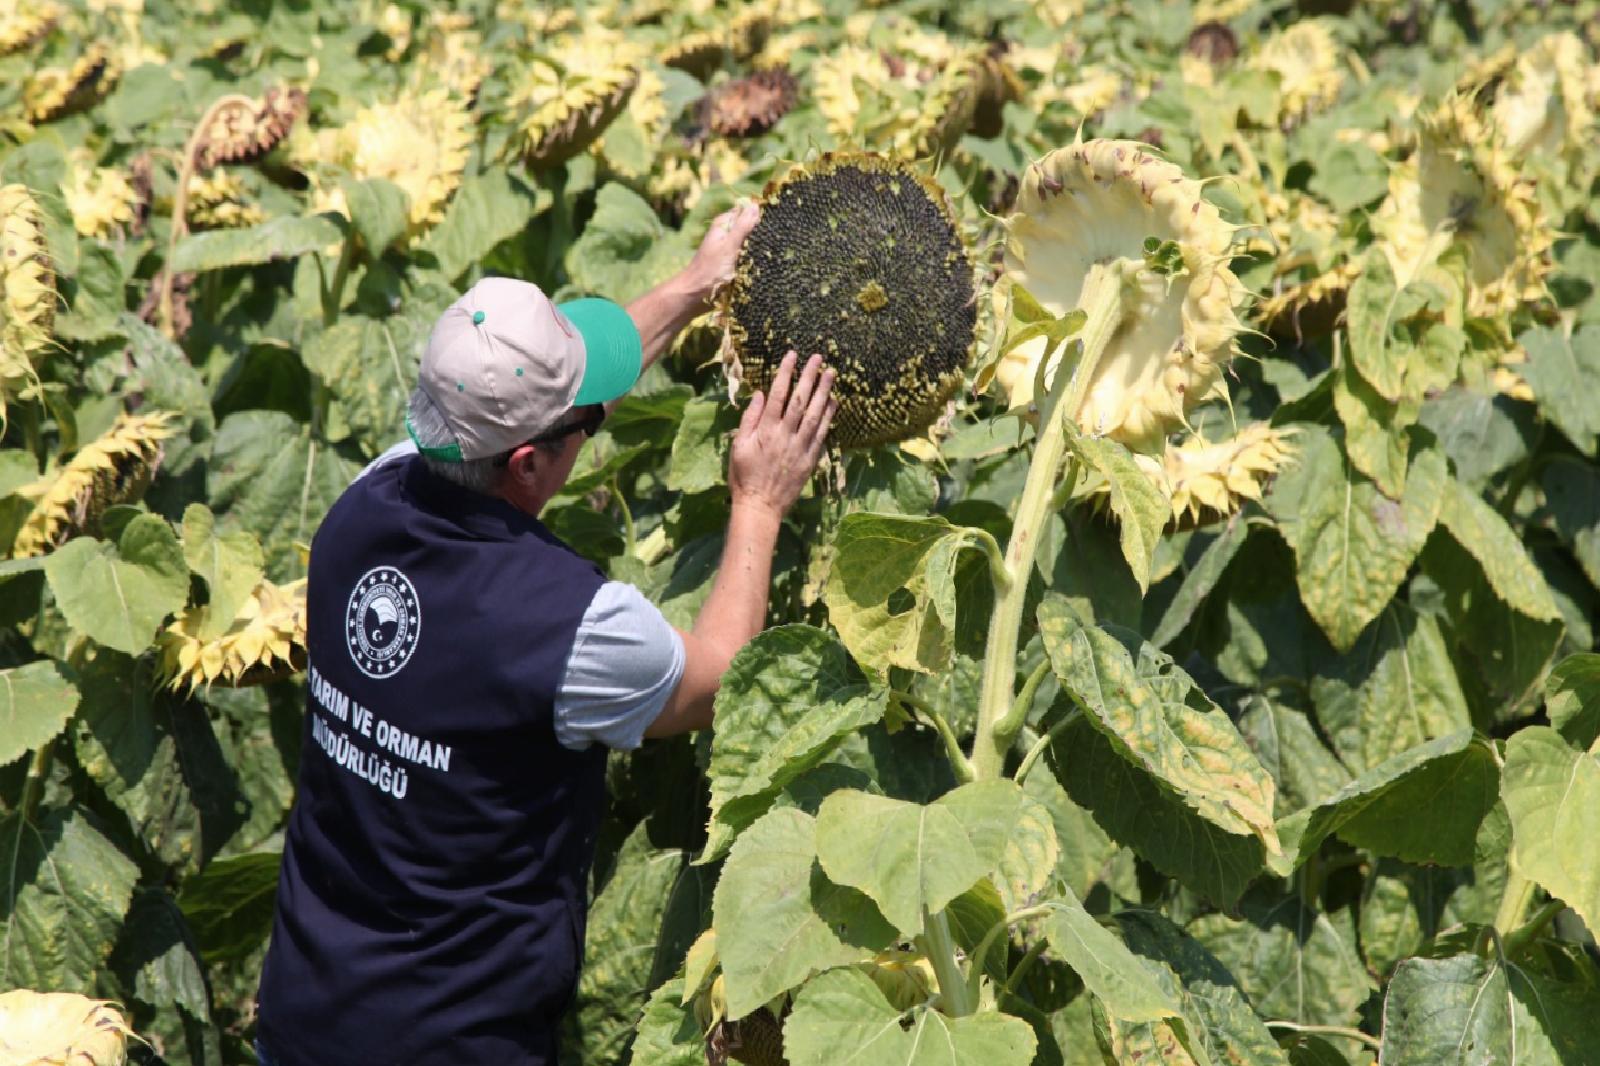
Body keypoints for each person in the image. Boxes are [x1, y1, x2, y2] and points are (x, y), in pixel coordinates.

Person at [253, 202, 837, 1065]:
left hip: (303, 1010)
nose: (595, 417)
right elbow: (719, 681)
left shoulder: (363, 504)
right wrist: (760, 500)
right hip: (451, 1040)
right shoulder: (568, 627)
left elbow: (550, 404)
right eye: (584, 427)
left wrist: (691, 286)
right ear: (530, 465)